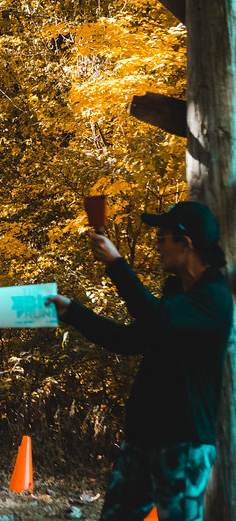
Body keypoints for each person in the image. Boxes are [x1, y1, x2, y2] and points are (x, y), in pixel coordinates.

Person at [46, 201, 232, 521]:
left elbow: (155, 315)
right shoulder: (175, 297)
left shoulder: (213, 299)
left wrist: (116, 263)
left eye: (162, 238)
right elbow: (126, 340)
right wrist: (72, 312)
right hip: (142, 439)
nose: (157, 246)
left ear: (186, 243)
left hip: (183, 444)